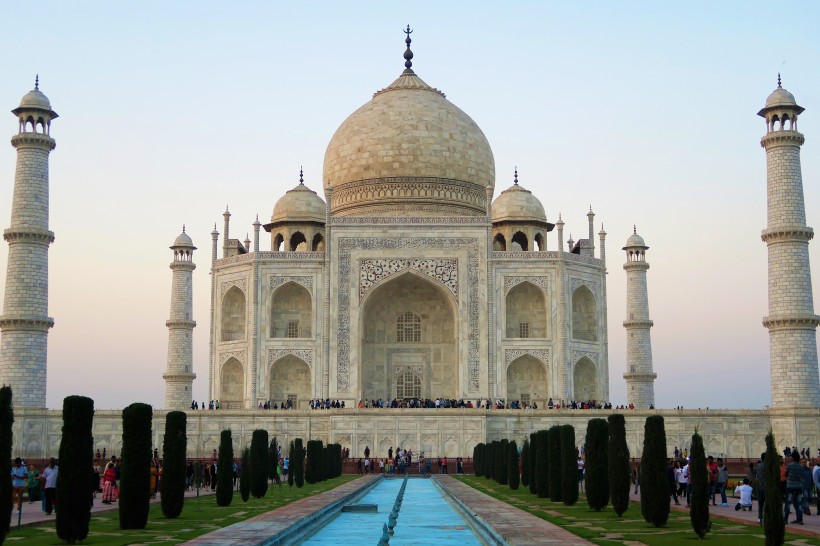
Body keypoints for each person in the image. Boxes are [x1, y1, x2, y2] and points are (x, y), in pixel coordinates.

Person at [783, 452, 804, 525]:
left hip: (790, 486)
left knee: (788, 503)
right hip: (798, 486)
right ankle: (800, 519)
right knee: (799, 504)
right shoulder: (800, 466)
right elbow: (802, 476)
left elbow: (785, 474)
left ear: (793, 457)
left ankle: (785, 519)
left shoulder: (789, 465)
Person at [755, 453, 766, 524]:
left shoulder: (758, 466)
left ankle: (760, 517)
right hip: (766, 487)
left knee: (760, 504)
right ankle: (766, 517)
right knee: (767, 503)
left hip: (759, 486)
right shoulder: (768, 466)